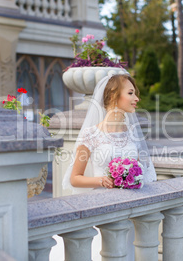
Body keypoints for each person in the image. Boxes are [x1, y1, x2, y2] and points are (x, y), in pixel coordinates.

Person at [59, 74, 157, 261]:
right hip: (101, 208)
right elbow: (75, 178)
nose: (137, 98)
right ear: (113, 95)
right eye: (130, 93)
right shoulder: (91, 134)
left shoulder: (132, 135)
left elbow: (143, 173)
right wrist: (100, 181)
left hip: (128, 212)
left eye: (135, 93)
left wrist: (134, 178)